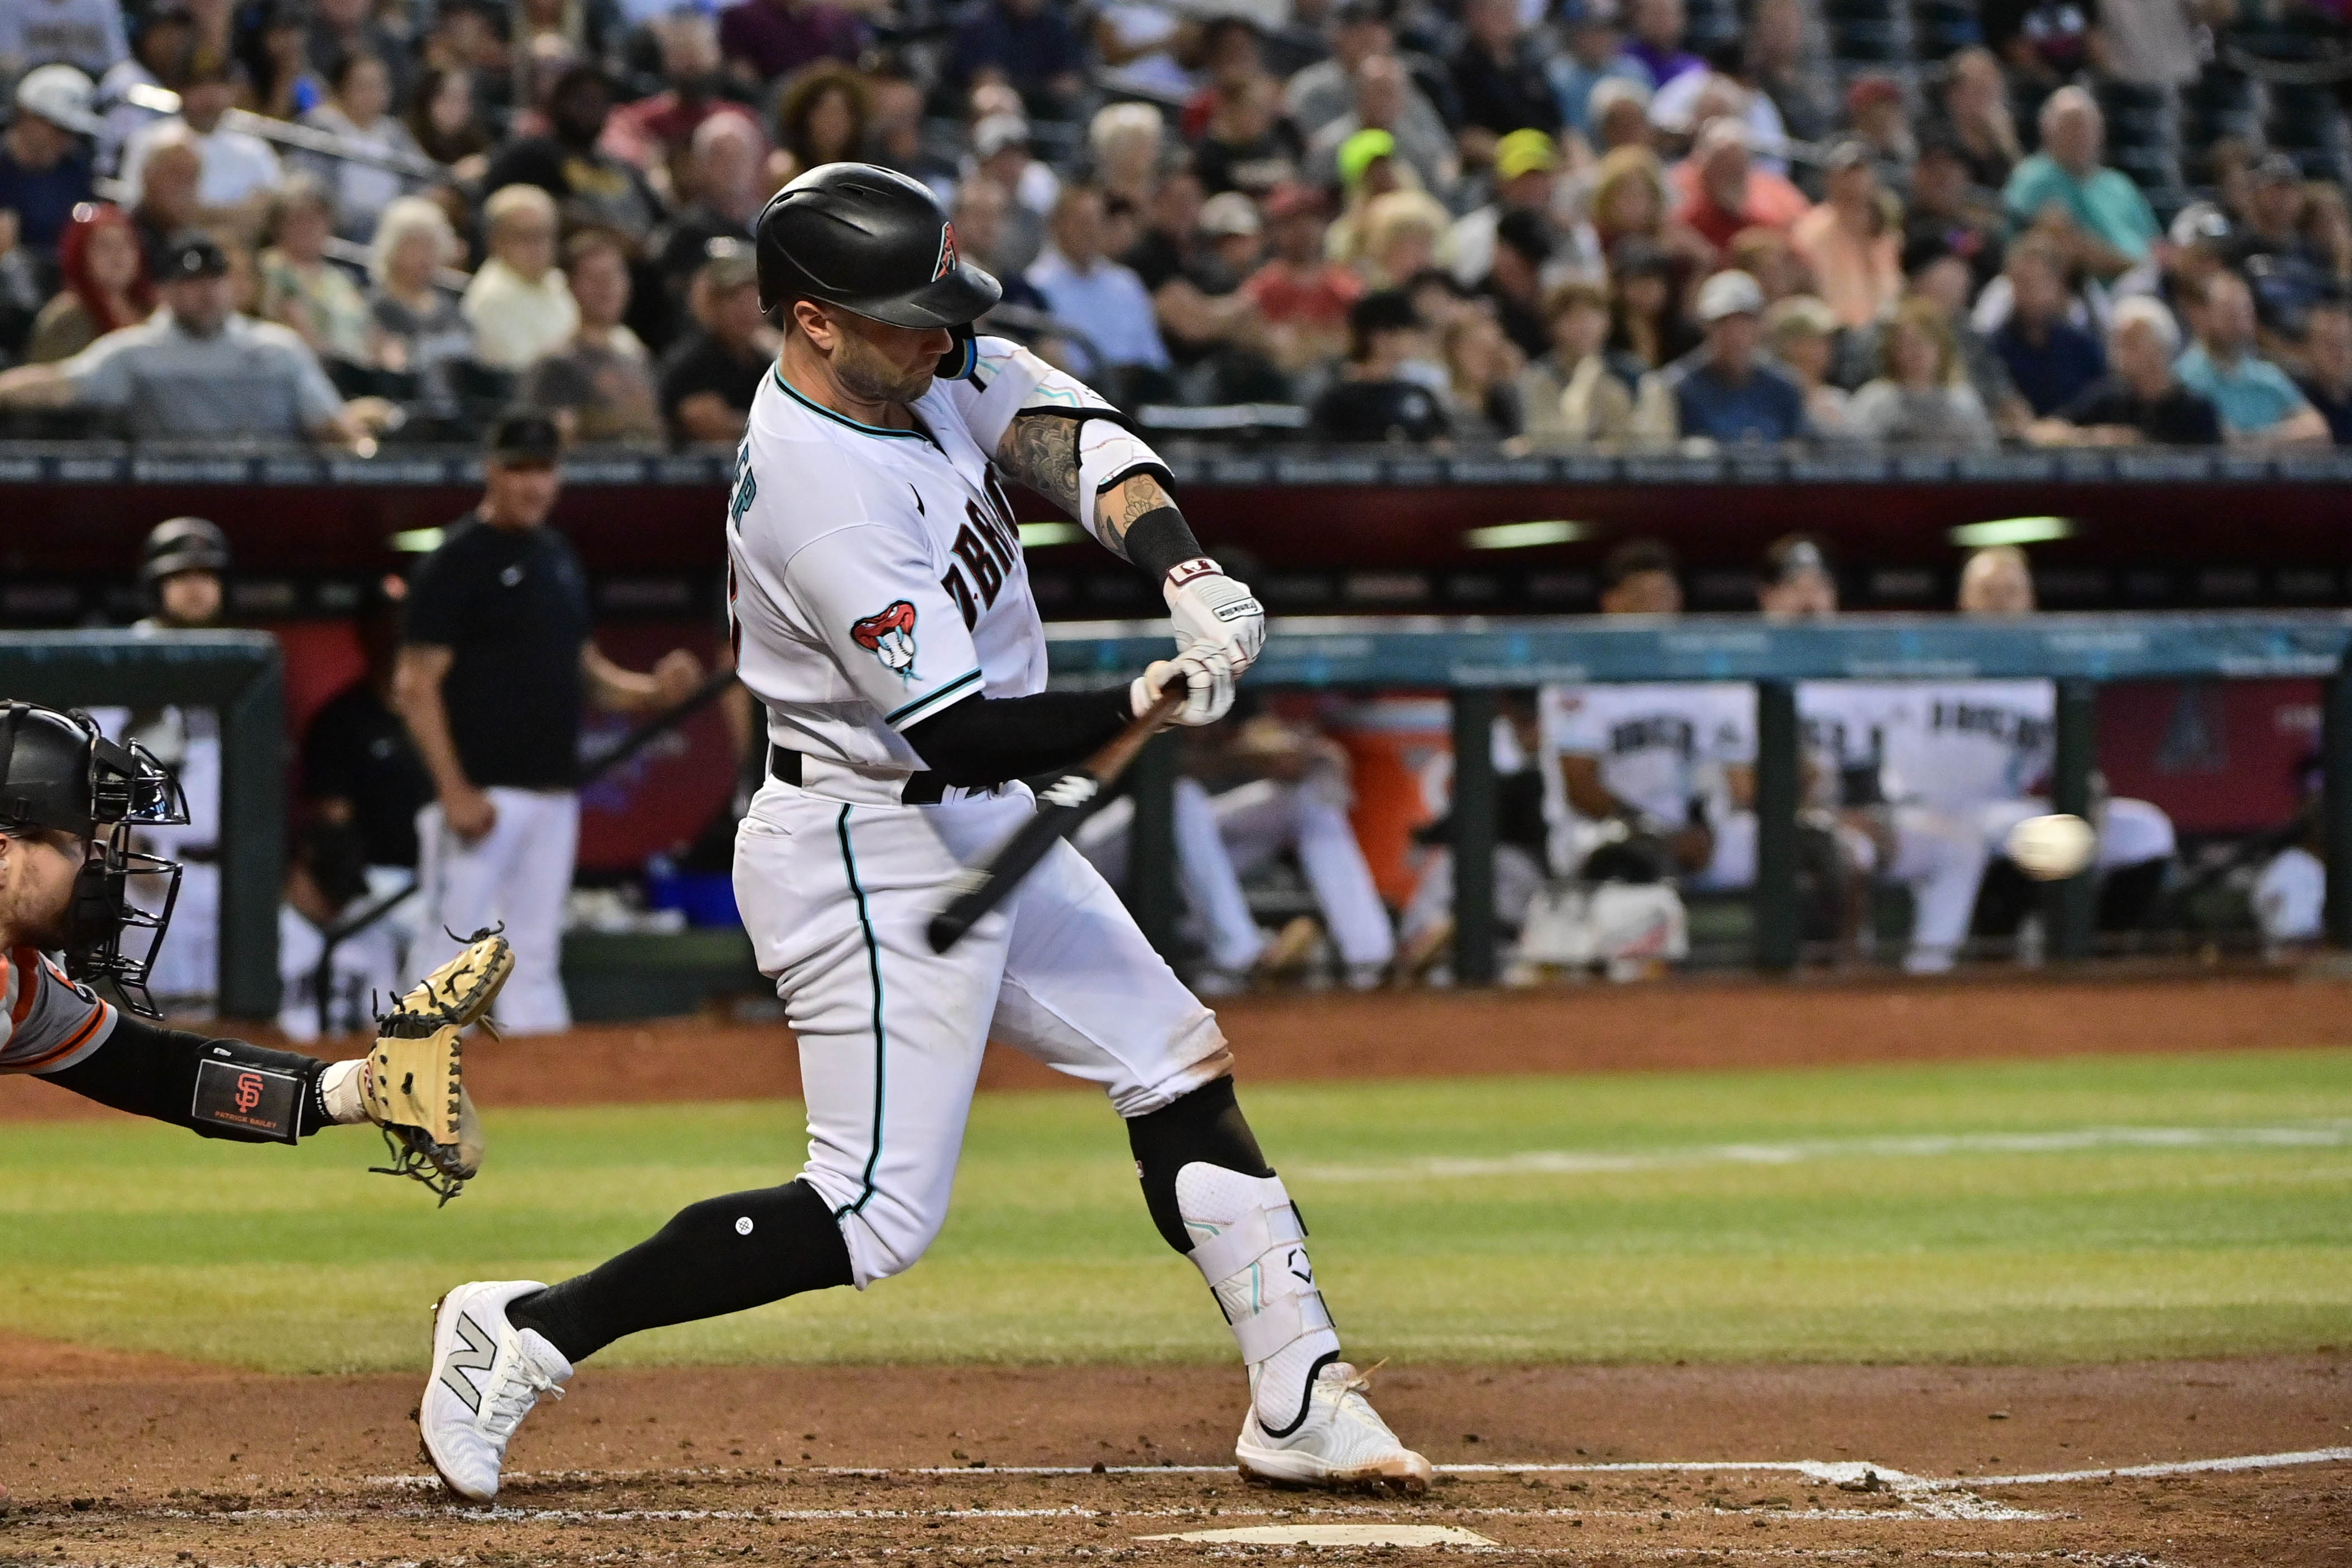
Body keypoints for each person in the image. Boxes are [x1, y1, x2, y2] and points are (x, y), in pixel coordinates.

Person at [415, 162, 1428, 1507]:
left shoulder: (920, 364)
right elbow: (953, 733)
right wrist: (1138, 696)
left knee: (1172, 1061)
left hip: (961, 815)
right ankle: (526, 1330)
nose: (943, 337)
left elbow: (1072, 437)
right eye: (909, 314)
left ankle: (1296, 1392)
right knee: (869, 1212)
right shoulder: (815, 489)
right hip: (863, 842)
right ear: (814, 319)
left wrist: (1184, 570)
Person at [0, 703, 476, 1174]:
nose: (99, 863)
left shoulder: (23, 983)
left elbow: (162, 1073)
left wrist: (361, 1087)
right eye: (77, 842)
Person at [394, 410, 705, 1039]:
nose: (535, 485)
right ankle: (407, 1083)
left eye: (545, 470)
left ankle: (542, 1093)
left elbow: (583, 668)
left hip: (552, 792)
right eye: (520, 470)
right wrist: (454, 788)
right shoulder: (456, 559)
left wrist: (650, 693)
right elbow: (414, 684)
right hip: (483, 793)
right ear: (492, 471)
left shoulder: (556, 555)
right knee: (447, 951)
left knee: (534, 953)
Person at [1767, 538, 1990, 974]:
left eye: (1819, 586)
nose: (1809, 599)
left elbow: (1867, 771)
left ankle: (1929, 970)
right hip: (1759, 823)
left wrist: (1870, 812)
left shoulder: (1859, 674)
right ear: (1768, 596)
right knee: (1844, 848)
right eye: (1795, 586)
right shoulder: (1735, 669)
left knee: (1958, 843)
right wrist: (1827, 814)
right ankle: (1837, 973)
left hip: (1847, 814)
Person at [1543, 538, 1759, 899]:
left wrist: (1701, 828)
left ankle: (1812, 953)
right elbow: (1580, 787)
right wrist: (1652, 832)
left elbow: (1716, 776)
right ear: (1612, 603)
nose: (1655, 607)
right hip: (1601, 828)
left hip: (1682, 829)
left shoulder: (1700, 681)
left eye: (1664, 595)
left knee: (1781, 843)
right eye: (1642, 597)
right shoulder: (1580, 678)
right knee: (1633, 856)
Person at [0, 233, 363, 445]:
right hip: (167, 501)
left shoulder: (278, 349)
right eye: (192, 283)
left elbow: (332, 425)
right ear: (167, 292)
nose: (206, 293)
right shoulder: (136, 352)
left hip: (269, 504)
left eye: (215, 281)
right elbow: (60, 384)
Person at [483, 63, 664, 245]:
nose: (591, 110)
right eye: (582, 100)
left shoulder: (623, 168)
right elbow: (497, 208)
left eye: (600, 101)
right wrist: (597, 230)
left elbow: (663, 222)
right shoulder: (528, 156)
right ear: (558, 101)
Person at [2000, 87, 2158, 281]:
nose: (2081, 134)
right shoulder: (2034, 178)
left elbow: (2155, 242)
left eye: (2087, 126)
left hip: (2144, 284)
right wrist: (2139, 269)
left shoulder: (2119, 184)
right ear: (2047, 131)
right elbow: (2070, 247)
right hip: (2084, 290)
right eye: (2071, 125)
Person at [1636, 268, 1805, 444]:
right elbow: (1657, 454)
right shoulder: (1674, 387)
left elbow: (1801, 450)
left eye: (1745, 322)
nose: (1735, 334)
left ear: (1760, 326)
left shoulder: (1784, 387)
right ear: (1705, 327)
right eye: (1722, 323)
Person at [1027, 183, 1171, 389]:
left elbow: (1154, 356)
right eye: (1081, 223)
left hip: (1139, 387)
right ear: (1058, 225)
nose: (1090, 232)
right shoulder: (1036, 287)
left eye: (1097, 222)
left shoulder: (1126, 283)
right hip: (1079, 392)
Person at [528, 229, 663, 445]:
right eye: (593, 277)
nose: (607, 287)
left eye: (615, 275)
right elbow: (557, 438)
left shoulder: (638, 356)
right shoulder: (556, 364)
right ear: (571, 285)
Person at [2034, 295, 2221, 447]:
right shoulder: (2108, 400)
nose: (2119, 352)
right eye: (2118, 343)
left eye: (2131, 343)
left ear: (2160, 349)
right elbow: (2042, 431)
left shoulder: (2195, 412)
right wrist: (2092, 437)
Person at [2172, 270, 2331, 447]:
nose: (2238, 322)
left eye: (2244, 312)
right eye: (2228, 313)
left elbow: (2317, 430)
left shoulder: (2268, 376)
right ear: (2206, 315)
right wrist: (2285, 438)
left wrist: (2251, 442)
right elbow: (2217, 441)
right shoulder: (2184, 379)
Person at [119, 59, 280, 230]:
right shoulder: (150, 140)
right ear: (180, 91)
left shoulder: (256, 150)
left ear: (234, 92)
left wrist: (201, 213)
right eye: (199, 86)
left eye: (219, 85)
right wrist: (235, 213)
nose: (209, 96)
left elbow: (272, 213)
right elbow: (141, 207)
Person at [299, 49, 424, 242]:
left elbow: (421, 177)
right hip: (343, 230)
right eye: (364, 86)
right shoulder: (322, 125)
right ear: (342, 88)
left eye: (380, 86)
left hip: (390, 232)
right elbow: (312, 186)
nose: (374, 94)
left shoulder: (393, 132)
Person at [366, 195, 472, 421]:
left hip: (461, 416)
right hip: (410, 415)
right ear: (392, 248)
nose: (424, 256)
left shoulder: (451, 306)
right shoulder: (378, 307)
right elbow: (391, 368)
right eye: (414, 245)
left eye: (430, 246)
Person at [659, 241, 773, 444]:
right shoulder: (693, 362)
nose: (745, 311)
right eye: (733, 299)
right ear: (710, 304)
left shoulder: (764, 364)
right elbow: (707, 424)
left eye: (752, 298)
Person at [1846, 297, 1998, 449]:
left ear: (1943, 348)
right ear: (1892, 351)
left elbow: (1982, 458)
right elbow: (1857, 456)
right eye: (1908, 344)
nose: (1917, 353)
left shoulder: (1963, 403)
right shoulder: (1873, 402)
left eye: (1926, 343)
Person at [256, 174, 372, 371]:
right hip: (309, 370)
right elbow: (300, 333)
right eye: (298, 219)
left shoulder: (340, 278)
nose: (308, 228)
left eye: (316, 219)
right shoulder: (272, 268)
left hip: (356, 371)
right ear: (278, 225)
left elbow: (367, 330)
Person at [462, 183, 577, 375]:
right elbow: (523, 371)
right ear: (496, 241)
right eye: (525, 236)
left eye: (545, 235)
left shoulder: (556, 282)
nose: (538, 247)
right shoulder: (491, 297)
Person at [1312, 286, 1450, 442]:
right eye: (1406, 333)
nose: (1413, 340)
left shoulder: (1419, 392)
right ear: (1380, 337)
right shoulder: (1338, 396)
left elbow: (1442, 445)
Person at [1789, 140, 1900, 330]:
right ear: (1829, 180)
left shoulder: (1885, 232)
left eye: (1861, 173)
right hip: (1835, 331)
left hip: (1884, 329)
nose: (1855, 182)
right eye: (1846, 175)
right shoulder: (1811, 231)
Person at [1987, 239, 2105, 419]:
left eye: (2038, 283)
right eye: (2022, 283)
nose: (2030, 293)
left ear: (2059, 286)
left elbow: (2102, 396)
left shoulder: (2082, 346)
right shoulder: (1992, 348)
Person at [25, 199, 150, 363]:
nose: (118, 255)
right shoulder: (66, 318)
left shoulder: (153, 310)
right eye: (104, 246)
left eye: (126, 244)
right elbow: (46, 378)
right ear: (80, 255)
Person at [1516, 277, 1639, 444]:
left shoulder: (1630, 372)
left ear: (1607, 321)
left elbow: (1636, 438)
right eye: (1572, 318)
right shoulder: (1538, 378)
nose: (1584, 326)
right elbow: (1545, 439)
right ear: (1553, 327)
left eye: (1592, 315)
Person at [0, 63, 99, 262]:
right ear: (26, 115)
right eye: (57, 128)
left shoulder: (76, 169)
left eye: (71, 132)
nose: (64, 140)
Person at [1671, 118, 1808, 256]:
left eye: (1736, 162)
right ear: (1702, 161)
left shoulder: (1775, 192)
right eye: (1722, 161)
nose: (1729, 170)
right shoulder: (1680, 189)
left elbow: (1797, 232)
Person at [720, 0, 870, 94]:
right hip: (770, 107)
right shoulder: (741, 18)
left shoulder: (836, 19)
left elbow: (854, 71)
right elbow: (743, 79)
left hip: (834, 103)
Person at [2296, 298, 2352, 445]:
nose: (2339, 354)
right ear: (2307, 348)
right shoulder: (2293, 399)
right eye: (2329, 344)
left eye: (2345, 344)